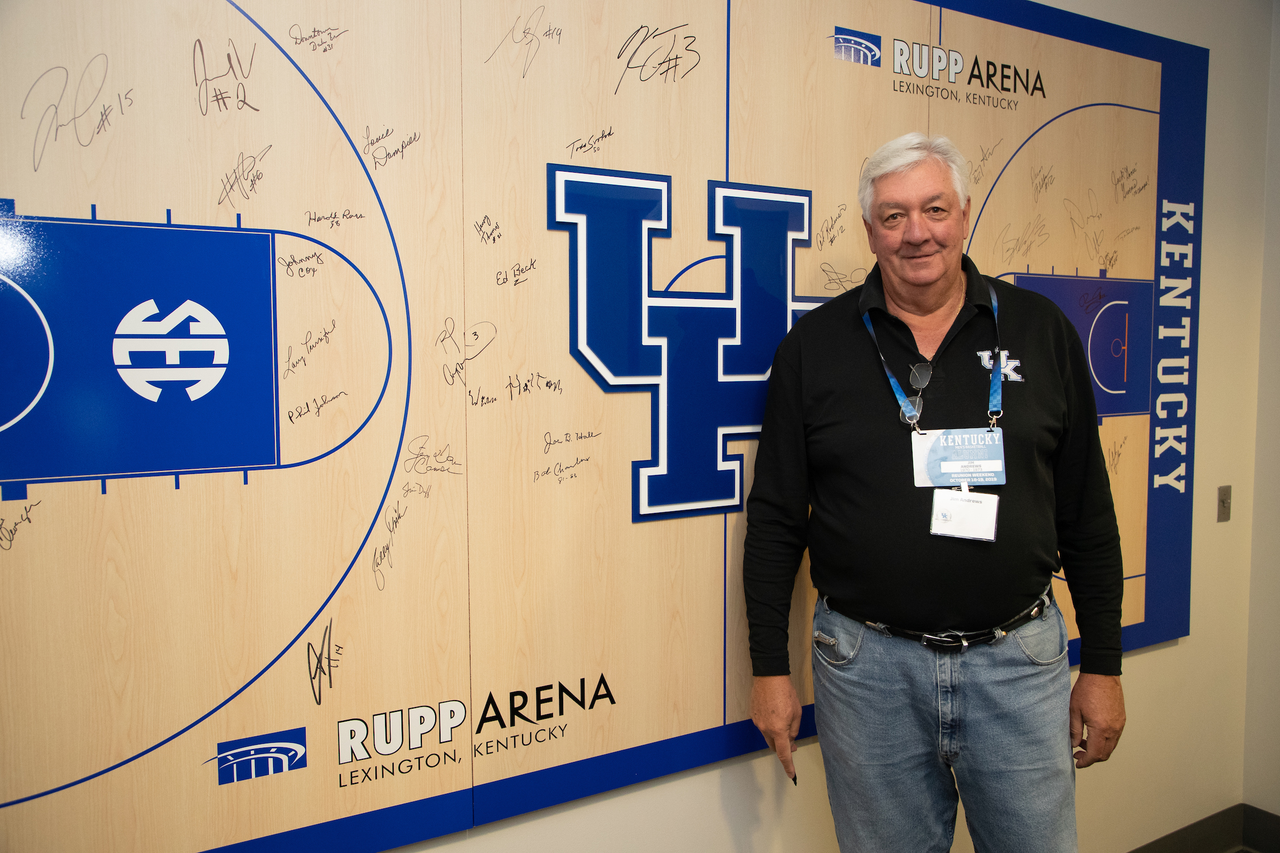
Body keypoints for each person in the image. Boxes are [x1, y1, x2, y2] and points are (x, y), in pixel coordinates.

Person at [743, 132, 1126, 853]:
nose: (916, 232)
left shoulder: (1043, 333)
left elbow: (1087, 513)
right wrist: (771, 670)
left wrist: (1102, 664)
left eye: (934, 209)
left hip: (1018, 663)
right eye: (893, 216)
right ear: (869, 231)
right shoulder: (813, 349)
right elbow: (773, 522)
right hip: (867, 673)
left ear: (966, 214)